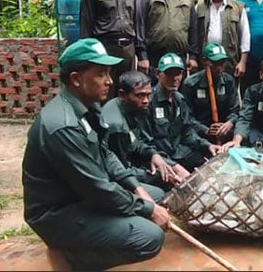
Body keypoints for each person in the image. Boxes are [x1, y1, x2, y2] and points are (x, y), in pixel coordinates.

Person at [22, 38, 170, 270]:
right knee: (149, 238)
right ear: (76, 79)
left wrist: (136, 188)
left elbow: (107, 155)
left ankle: (86, 241)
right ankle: (72, 258)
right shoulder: (63, 126)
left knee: (155, 194)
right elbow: (98, 188)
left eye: (109, 73)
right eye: (101, 74)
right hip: (58, 211)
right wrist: (147, 209)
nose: (109, 81)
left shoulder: (88, 107)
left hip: (82, 195)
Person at [102, 70, 191, 189]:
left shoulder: (133, 108)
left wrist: (155, 156)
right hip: (114, 180)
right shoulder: (117, 126)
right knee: (161, 191)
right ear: (122, 95)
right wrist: (159, 175)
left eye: (148, 95)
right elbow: (121, 171)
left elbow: (137, 142)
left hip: (134, 164)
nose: (146, 101)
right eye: (140, 95)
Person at [79, 0, 138, 98]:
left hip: (128, 52)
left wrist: (141, 54)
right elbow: (85, 28)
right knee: (105, 95)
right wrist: (89, 59)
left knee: (128, 94)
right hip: (105, 51)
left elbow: (136, 24)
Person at [148, 52, 221, 172]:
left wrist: (207, 145)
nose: (174, 78)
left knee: (212, 163)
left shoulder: (179, 99)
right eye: (169, 74)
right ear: (157, 74)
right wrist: (172, 165)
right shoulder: (149, 101)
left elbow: (187, 131)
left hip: (179, 153)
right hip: (160, 160)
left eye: (178, 73)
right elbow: (147, 143)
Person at [136, 0, 199, 75]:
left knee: (177, 92)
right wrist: (142, 56)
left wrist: (193, 56)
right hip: (154, 57)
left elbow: (193, 29)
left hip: (179, 57)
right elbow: (140, 25)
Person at [180, 43, 240, 144]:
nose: (220, 67)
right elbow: (186, 116)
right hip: (199, 134)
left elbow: (235, 110)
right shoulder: (190, 84)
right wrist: (205, 130)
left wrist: (229, 123)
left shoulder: (229, 81)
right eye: (215, 63)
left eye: (222, 63)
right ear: (205, 61)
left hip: (224, 132)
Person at [195, 0, 250, 78]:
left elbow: (245, 37)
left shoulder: (238, 8)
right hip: (205, 63)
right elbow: (193, 36)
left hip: (229, 64)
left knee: (228, 93)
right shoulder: (199, 7)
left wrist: (242, 62)